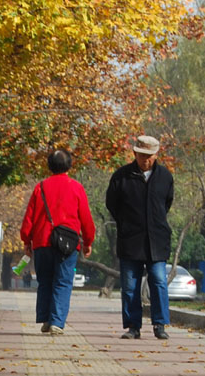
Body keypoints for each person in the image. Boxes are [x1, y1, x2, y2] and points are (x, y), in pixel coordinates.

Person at [105, 134, 173, 340]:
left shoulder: (165, 176)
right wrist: (126, 222)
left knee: (159, 281)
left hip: (157, 240)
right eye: (142, 155)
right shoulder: (121, 176)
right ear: (134, 153)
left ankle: (160, 324)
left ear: (156, 154)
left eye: (150, 156)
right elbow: (112, 204)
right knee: (130, 284)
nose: (146, 160)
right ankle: (133, 326)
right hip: (130, 239)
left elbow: (166, 203)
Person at [20, 148, 95, 335]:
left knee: (45, 281)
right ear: (69, 165)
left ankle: (45, 319)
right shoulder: (76, 187)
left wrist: (26, 240)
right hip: (67, 244)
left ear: (49, 166)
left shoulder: (41, 187)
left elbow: (29, 217)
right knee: (62, 281)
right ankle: (57, 322)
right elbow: (85, 217)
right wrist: (88, 241)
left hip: (42, 241)